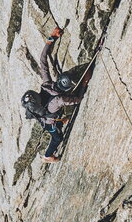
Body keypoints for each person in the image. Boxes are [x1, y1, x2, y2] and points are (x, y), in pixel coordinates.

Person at [21, 26, 92, 163]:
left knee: (59, 119)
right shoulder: (58, 100)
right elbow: (78, 100)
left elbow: (43, 61)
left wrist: (51, 39)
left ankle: (62, 121)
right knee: (57, 138)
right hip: (48, 121)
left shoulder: (47, 84)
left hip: (48, 113)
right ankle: (47, 157)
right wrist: (83, 84)